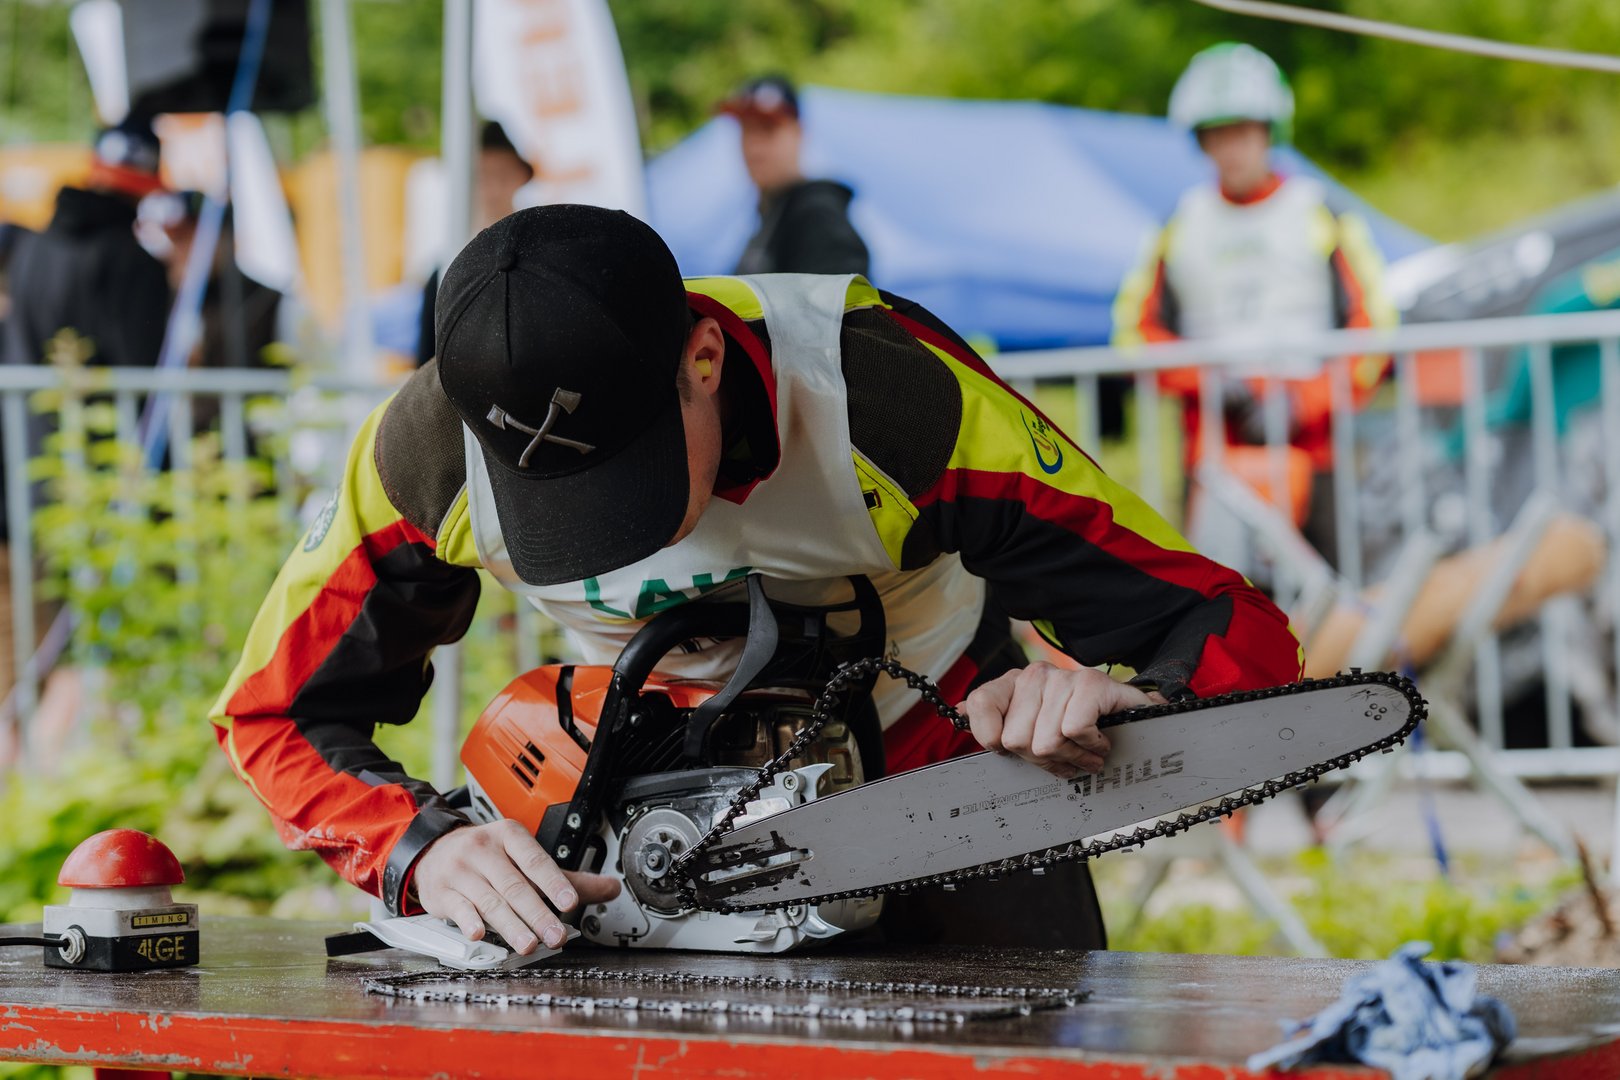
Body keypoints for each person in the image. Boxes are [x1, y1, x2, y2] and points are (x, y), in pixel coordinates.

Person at [213, 205, 1303, 956]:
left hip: (949, 797)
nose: (609, 534)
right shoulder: (423, 459)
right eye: (557, 503)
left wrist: (1132, 702)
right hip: (651, 841)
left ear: (703, 360)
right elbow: (273, 713)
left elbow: (1217, 616)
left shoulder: (896, 403)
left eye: (628, 478)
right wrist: (421, 847)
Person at [1112, 43, 1395, 565]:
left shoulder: (1319, 212)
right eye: (1217, 135)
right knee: (1217, 597)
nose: (1232, 150)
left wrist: (1303, 402)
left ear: (1269, 132)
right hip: (1212, 454)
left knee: (1330, 591)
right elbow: (1134, 333)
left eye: (1242, 132)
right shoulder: (1181, 224)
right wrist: (1207, 380)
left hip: (1314, 452)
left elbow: (1373, 329)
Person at [1, 115, 171, 371]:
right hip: (94, 398)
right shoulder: (135, 263)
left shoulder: (28, 246)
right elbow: (138, 367)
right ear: (143, 190)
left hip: (19, 397)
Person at [719, 75, 870, 277]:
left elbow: (844, 292)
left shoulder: (817, 215)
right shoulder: (772, 218)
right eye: (747, 130)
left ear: (798, 133)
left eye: (767, 129)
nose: (754, 147)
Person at [415, 121, 536, 366]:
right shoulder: (446, 270)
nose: (493, 187)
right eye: (481, 175)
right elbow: (427, 361)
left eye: (502, 173)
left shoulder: (541, 257)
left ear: (520, 176)